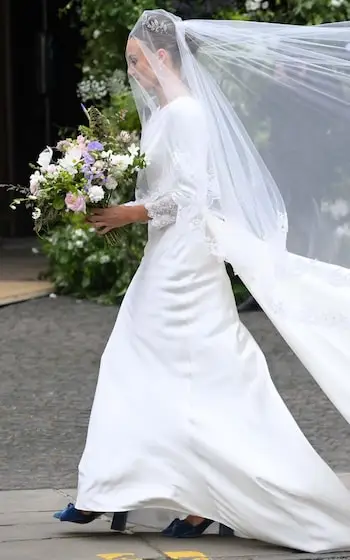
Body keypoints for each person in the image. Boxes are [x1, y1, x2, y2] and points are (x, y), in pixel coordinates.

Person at [54, 10, 350, 553]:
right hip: (167, 250)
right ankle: (126, 490)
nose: (132, 71)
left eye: (135, 60)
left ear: (163, 58)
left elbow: (193, 194)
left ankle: (125, 492)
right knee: (157, 365)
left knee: (161, 363)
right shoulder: (166, 115)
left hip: (185, 257)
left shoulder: (187, 113)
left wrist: (129, 213)